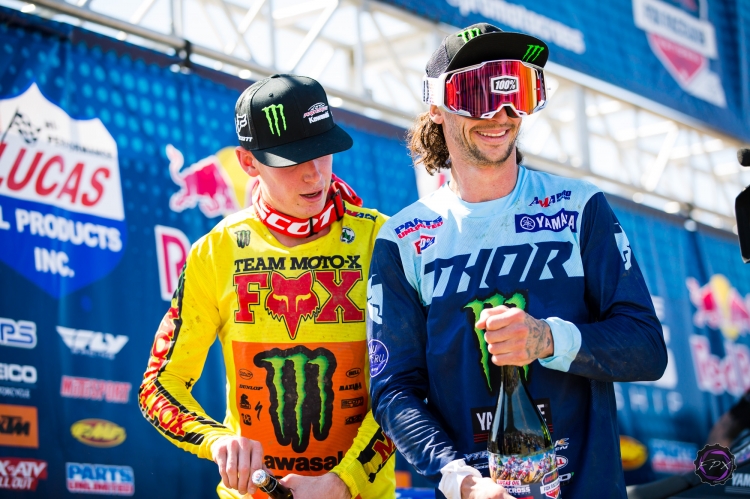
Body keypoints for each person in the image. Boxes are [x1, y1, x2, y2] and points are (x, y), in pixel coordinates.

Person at [366, 23, 667, 499]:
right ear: (438, 109)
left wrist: (546, 338)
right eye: (476, 94)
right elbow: (393, 391)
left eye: (516, 90)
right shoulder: (402, 238)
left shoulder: (580, 207)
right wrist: (462, 482)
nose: (500, 113)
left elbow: (647, 348)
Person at [139, 74, 395, 499]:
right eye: (292, 159)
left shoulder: (382, 240)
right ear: (247, 162)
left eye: (323, 150)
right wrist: (216, 441)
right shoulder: (214, 252)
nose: (314, 173)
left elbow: (408, 384)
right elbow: (160, 385)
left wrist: (341, 482)